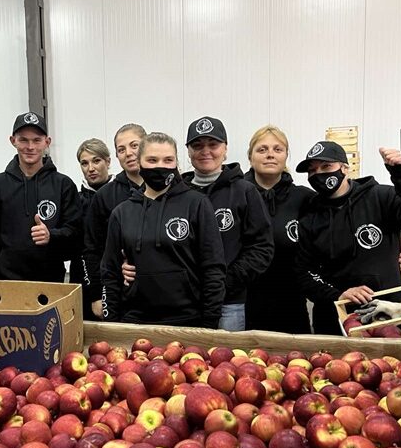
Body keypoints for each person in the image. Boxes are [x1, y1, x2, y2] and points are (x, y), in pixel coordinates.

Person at [294, 141, 401, 335]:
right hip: (334, 321)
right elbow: (304, 272)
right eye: (312, 170)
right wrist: (338, 295)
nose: (318, 174)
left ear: (345, 168)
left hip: (388, 315)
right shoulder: (309, 216)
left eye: (326, 166)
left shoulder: (380, 197)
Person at [101, 132, 226, 328]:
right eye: (152, 160)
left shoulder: (197, 204)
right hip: (135, 320)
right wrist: (112, 324)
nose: (160, 166)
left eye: (168, 160)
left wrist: (209, 323)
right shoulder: (122, 213)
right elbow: (110, 272)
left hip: (189, 320)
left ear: (176, 163)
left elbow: (213, 268)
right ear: (139, 162)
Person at [180, 116, 274, 331]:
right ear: (188, 151)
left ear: (225, 149)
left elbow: (262, 248)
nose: (206, 151)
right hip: (184, 302)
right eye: (197, 145)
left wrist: (224, 282)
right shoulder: (178, 194)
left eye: (213, 144)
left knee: (225, 354)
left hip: (229, 303)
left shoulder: (244, 191)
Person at [0, 111, 82, 283]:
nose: (30, 147)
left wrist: (51, 236)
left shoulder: (63, 185)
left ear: (47, 142)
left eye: (36, 140)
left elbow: (75, 233)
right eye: (23, 140)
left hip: (50, 283)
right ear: (13, 141)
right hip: (5, 283)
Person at [243, 125, 316, 333]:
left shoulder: (304, 198)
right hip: (245, 303)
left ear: (286, 156)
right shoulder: (236, 195)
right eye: (262, 149)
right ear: (250, 156)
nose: (270, 155)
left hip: (291, 301)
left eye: (277, 149)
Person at [82, 124, 147, 319]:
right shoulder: (104, 196)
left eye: (134, 145)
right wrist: (96, 295)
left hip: (164, 294)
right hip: (119, 294)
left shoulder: (167, 191)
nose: (129, 153)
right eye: (121, 149)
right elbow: (91, 249)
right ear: (116, 156)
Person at [70, 139, 113, 315]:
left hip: (114, 278)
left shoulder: (123, 195)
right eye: (85, 163)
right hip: (81, 278)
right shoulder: (75, 200)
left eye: (96, 161)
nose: (91, 168)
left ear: (108, 161)